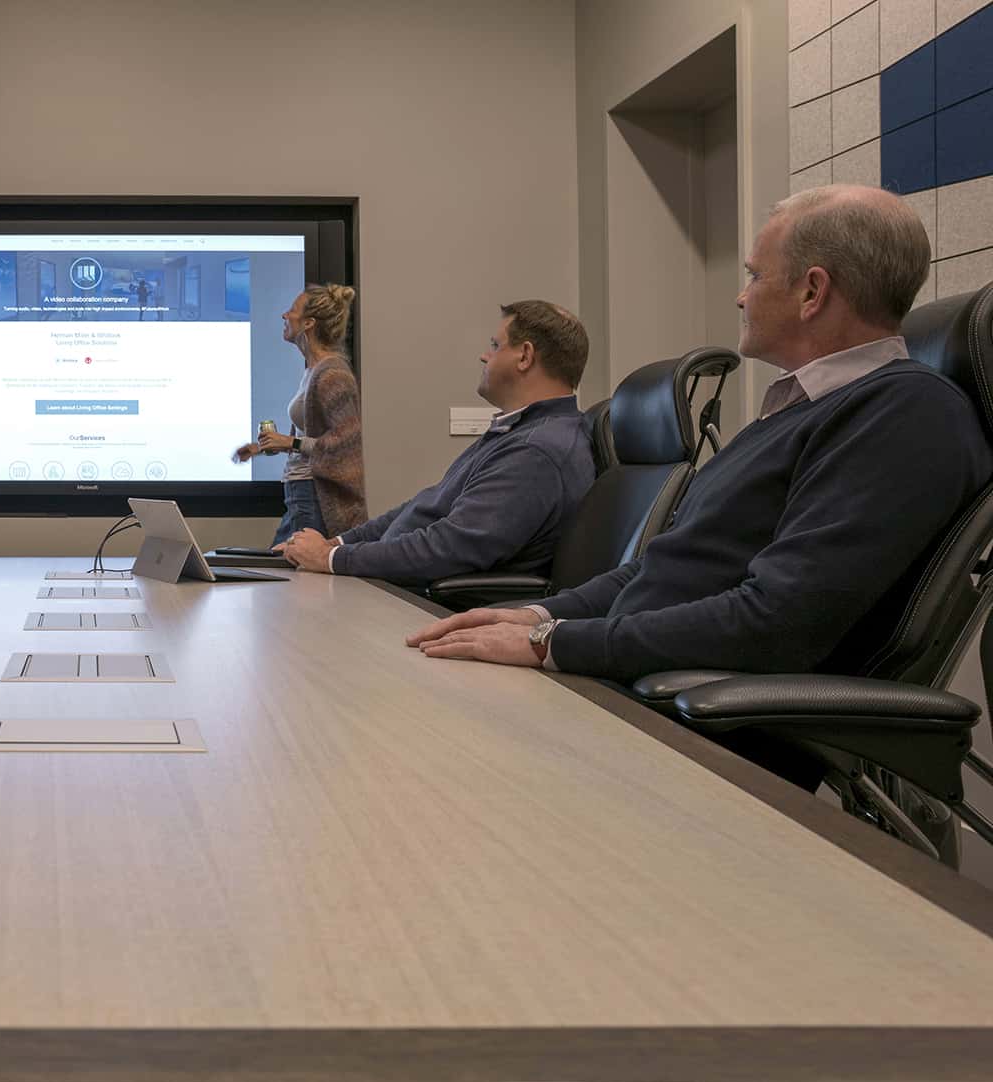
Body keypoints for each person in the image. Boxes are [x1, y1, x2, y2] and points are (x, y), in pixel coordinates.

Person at [408, 185, 992, 698]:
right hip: (632, 676)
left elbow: (777, 621)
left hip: (692, 713)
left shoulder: (904, 414)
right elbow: (656, 571)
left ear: (812, 292)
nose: (742, 296)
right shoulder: (796, 411)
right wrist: (533, 617)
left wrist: (551, 645)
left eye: (755, 275)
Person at [275, 300, 596, 584]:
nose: (484, 356)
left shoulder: (537, 452)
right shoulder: (518, 432)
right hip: (401, 588)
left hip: (433, 606)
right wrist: (338, 545)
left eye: (495, 345)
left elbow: (447, 548)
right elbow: (427, 504)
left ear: (525, 356)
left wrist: (331, 560)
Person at [234, 283, 366, 543]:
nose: (285, 315)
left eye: (292, 310)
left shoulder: (333, 374)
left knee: (296, 574)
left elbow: (346, 444)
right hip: (301, 491)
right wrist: (265, 447)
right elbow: (314, 437)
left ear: (309, 323)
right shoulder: (313, 370)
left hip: (315, 495)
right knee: (286, 570)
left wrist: (290, 442)